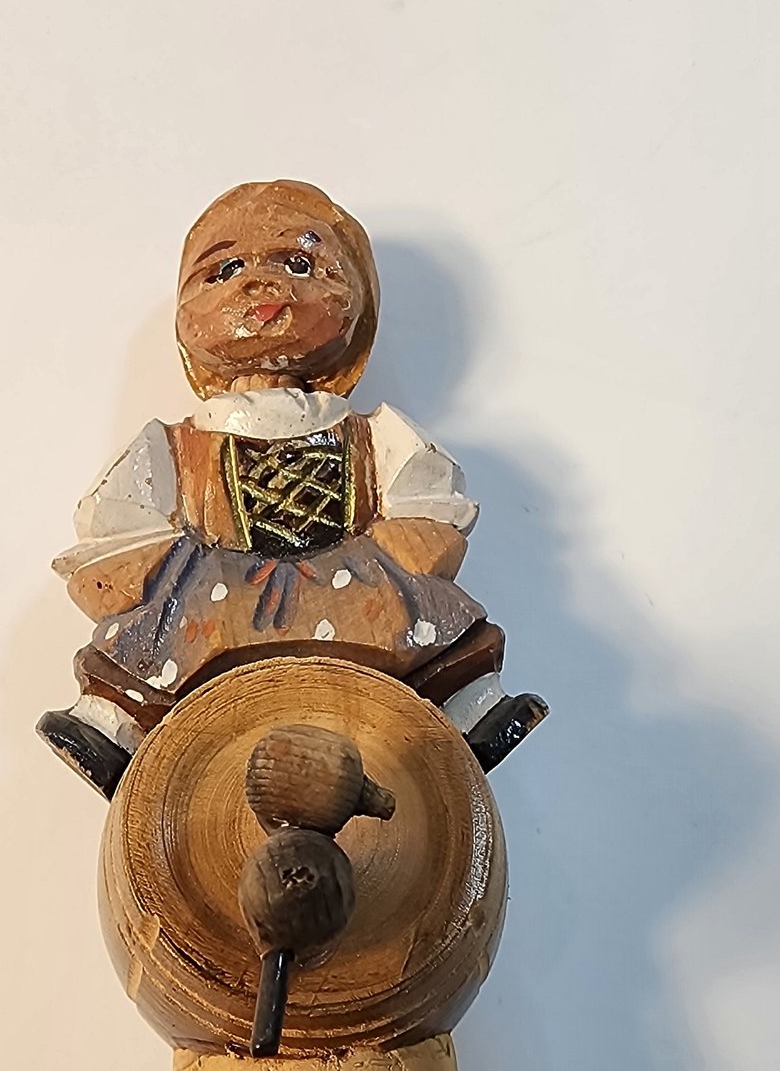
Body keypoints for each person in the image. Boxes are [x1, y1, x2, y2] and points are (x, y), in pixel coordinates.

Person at [39, 179, 545, 798]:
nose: (258, 284)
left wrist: (412, 543)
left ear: (357, 302)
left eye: (299, 264)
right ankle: (112, 731)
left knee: (426, 621)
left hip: (354, 581)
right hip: (211, 592)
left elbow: (425, 495)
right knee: (154, 635)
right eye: (223, 270)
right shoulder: (172, 448)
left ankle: (468, 715)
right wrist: (133, 567)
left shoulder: (373, 436)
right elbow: (120, 518)